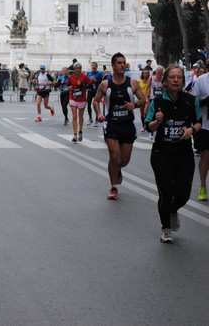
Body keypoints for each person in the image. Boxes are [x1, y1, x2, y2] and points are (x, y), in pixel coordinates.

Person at [145, 64, 201, 243]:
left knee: (183, 194)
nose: (176, 80)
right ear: (165, 81)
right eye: (172, 77)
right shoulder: (158, 102)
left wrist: (191, 130)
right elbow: (148, 126)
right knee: (166, 192)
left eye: (179, 77)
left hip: (184, 155)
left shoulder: (191, 101)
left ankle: (173, 210)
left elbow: (199, 121)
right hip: (162, 154)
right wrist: (157, 122)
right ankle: (166, 228)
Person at [93, 52, 146, 200]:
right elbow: (96, 101)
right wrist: (98, 114)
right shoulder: (105, 84)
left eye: (124, 62)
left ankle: (118, 169)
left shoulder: (133, 83)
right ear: (113, 65)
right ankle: (113, 186)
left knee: (124, 160)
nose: (123, 65)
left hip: (127, 125)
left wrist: (134, 105)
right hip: (112, 125)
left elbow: (143, 99)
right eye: (119, 63)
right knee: (114, 156)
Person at [191, 72, 209, 201]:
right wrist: (205, 101)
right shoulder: (201, 81)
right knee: (206, 155)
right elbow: (193, 102)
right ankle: (203, 185)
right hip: (205, 125)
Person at [67, 63, 92, 142]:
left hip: (82, 99)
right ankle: (75, 134)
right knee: (74, 116)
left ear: (81, 69)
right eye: (76, 68)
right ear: (74, 69)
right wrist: (69, 88)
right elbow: (68, 85)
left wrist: (82, 85)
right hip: (73, 98)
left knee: (80, 116)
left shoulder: (85, 77)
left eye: (79, 68)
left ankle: (80, 131)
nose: (78, 69)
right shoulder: (71, 77)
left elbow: (90, 86)